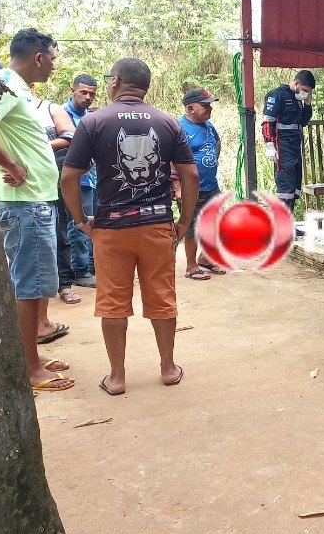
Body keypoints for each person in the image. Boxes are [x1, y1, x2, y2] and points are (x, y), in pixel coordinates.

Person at [61, 57, 199, 396]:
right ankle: (168, 369)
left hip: (111, 228)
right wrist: (183, 222)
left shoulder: (94, 122)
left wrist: (80, 220)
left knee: (112, 301)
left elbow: (69, 176)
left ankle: (118, 377)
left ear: (115, 81)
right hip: (156, 225)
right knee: (162, 297)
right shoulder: (167, 122)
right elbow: (190, 175)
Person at [0, 28, 75, 392]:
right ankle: (30, 369)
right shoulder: (6, 85)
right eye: (52, 58)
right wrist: (11, 165)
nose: (53, 66)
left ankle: (33, 357)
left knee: (38, 281)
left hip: (36, 198)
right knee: (28, 285)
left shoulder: (19, 88)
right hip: (24, 202)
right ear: (38, 57)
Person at [31, 85, 81, 304]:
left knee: (59, 234)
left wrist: (36, 147)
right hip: (18, 185)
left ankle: (64, 284)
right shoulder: (4, 109)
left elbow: (70, 136)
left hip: (51, 183)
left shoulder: (49, 109)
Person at [178, 88, 226, 280]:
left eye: (210, 106)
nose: (209, 109)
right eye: (204, 106)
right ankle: (191, 266)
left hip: (211, 185)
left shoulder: (209, 125)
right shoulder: (179, 127)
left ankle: (206, 258)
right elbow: (170, 159)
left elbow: (217, 141)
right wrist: (177, 187)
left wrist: (211, 161)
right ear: (190, 108)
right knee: (192, 227)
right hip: (190, 188)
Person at [262, 70, 315, 237]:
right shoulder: (277, 95)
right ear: (296, 83)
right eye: (305, 89)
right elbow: (267, 121)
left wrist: (307, 104)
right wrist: (270, 144)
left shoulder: (299, 99)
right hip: (282, 146)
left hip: (295, 146)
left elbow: (304, 122)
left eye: (309, 92)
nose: (305, 93)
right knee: (285, 187)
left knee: (293, 188)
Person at [64, 75, 99, 288]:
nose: (88, 97)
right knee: (79, 223)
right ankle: (80, 271)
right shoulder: (63, 115)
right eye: (83, 92)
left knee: (95, 221)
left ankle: (93, 266)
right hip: (77, 179)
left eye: (92, 94)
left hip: (93, 178)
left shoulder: (90, 115)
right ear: (73, 90)